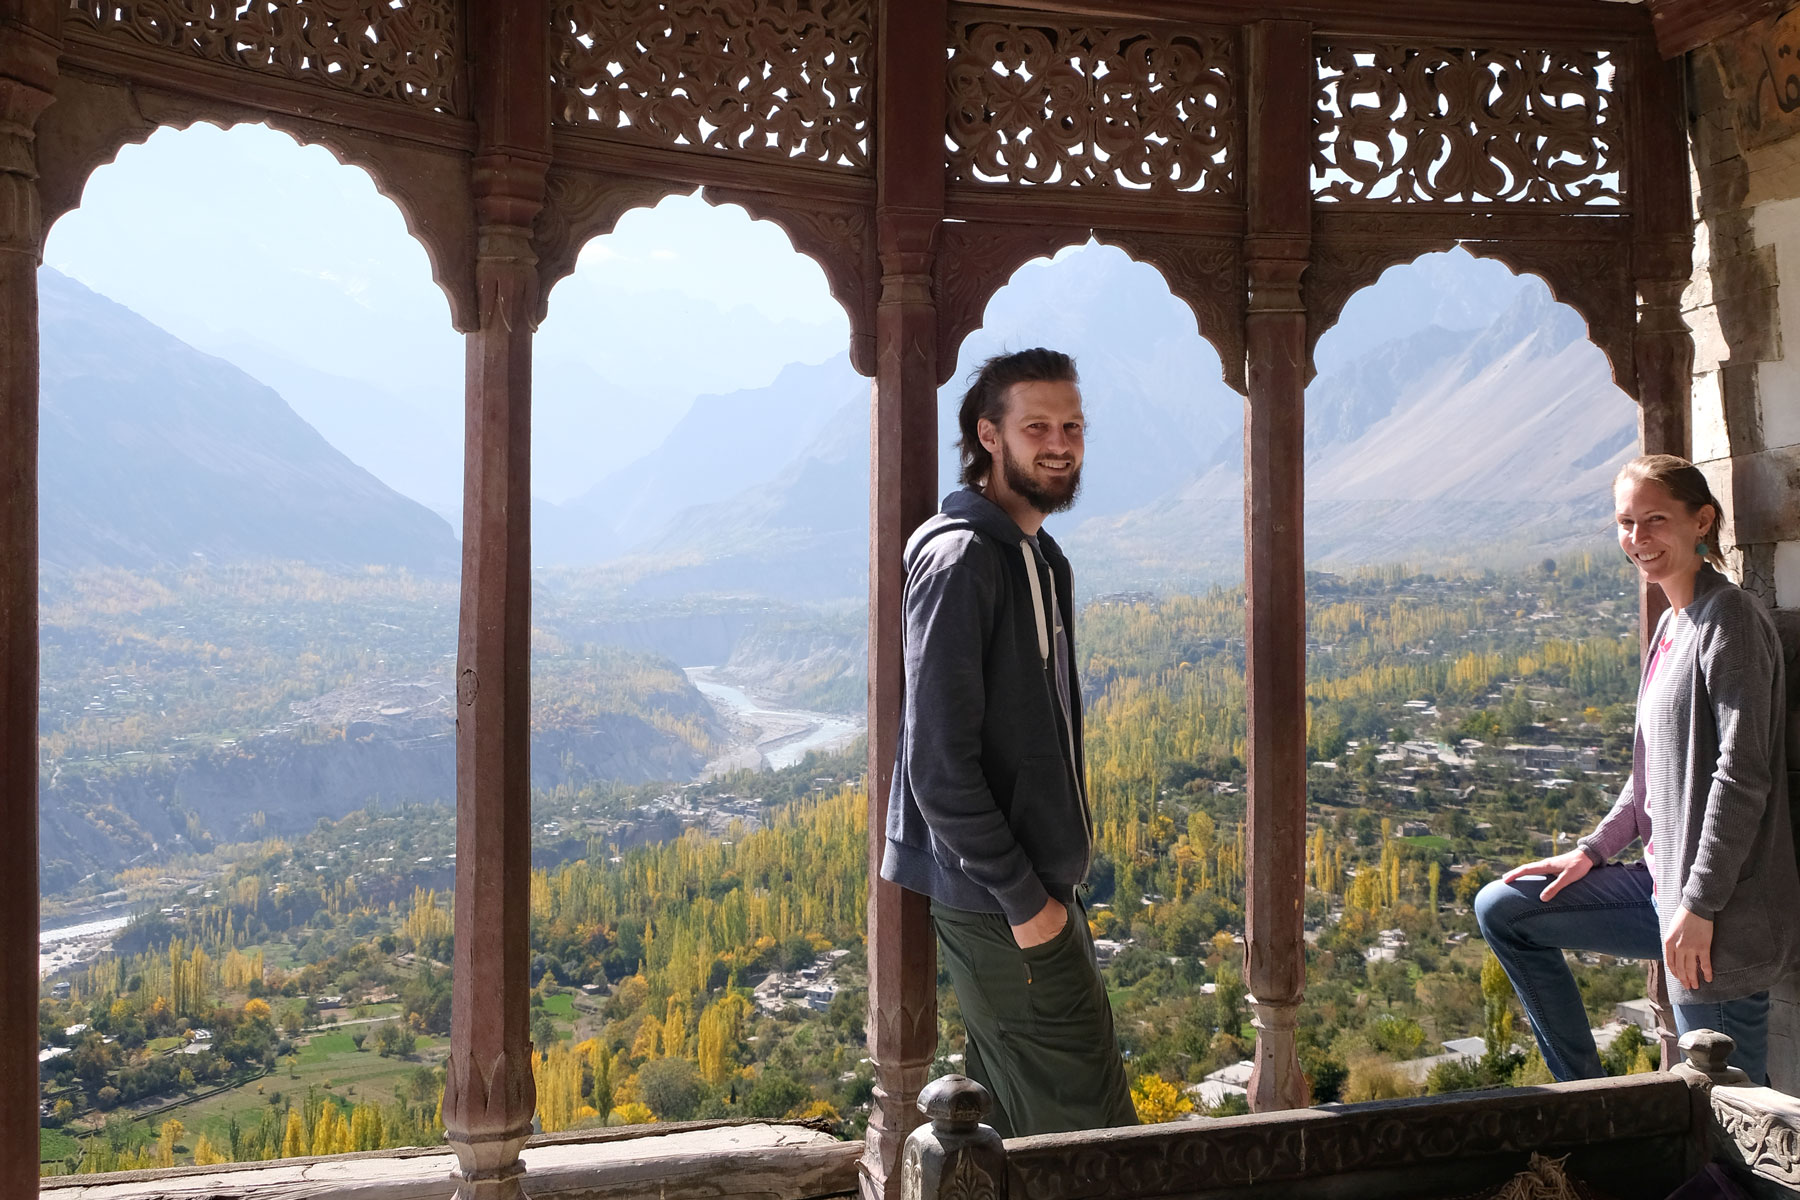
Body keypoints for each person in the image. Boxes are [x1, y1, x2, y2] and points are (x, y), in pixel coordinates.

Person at [1475, 454, 1800, 1083]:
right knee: (1505, 908)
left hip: (1716, 917)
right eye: (1626, 522)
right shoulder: (1673, 623)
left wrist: (1700, 907)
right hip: (1662, 890)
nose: (1638, 538)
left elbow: (1742, 775)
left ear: (1701, 520)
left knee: (1730, 1123)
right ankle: (1593, 1102)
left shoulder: (1727, 619)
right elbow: (1651, 769)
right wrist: (1593, 852)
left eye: (1655, 519)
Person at [879, 347, 1136, 1136]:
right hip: (1003, 904)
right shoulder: (962, 560)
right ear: (990, 436)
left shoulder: (1036, 557)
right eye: (1037, 426)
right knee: (1090, 1140)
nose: (1060, 442)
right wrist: (1027, 904)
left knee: (1019, 1136)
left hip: (1028, 897)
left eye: (1072, 425)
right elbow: (936, 766)